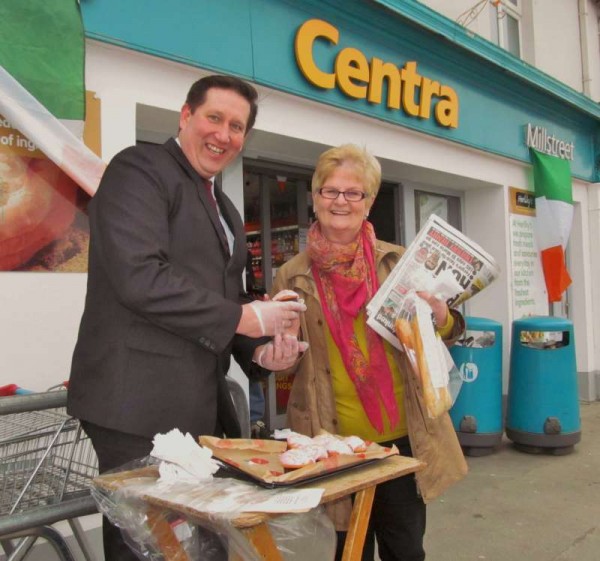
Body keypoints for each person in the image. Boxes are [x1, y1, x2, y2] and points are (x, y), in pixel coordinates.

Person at [68, 74, 306, 561]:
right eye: (214, 118)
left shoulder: (226, 209)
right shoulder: (140, 169)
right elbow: (139, 278)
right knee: (146, 545)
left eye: (237, 127)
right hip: (134, 403)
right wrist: (248, 321)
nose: (223, 134)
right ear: (185, 116)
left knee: (198, 542)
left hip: (198, 404)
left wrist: (261, 350)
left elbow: (231, 299)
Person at [271, 144, 468, 561]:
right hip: (333, 444)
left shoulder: (400, 263)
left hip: (400, 440)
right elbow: (285, 358)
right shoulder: (291, 274)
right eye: (329, 191)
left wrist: (440, 317)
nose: (339, 201)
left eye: (352, 193)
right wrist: (279, 351)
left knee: (405, 550)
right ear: (315, 197)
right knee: (349, 552)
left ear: (369, 201)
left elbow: (444, 333)